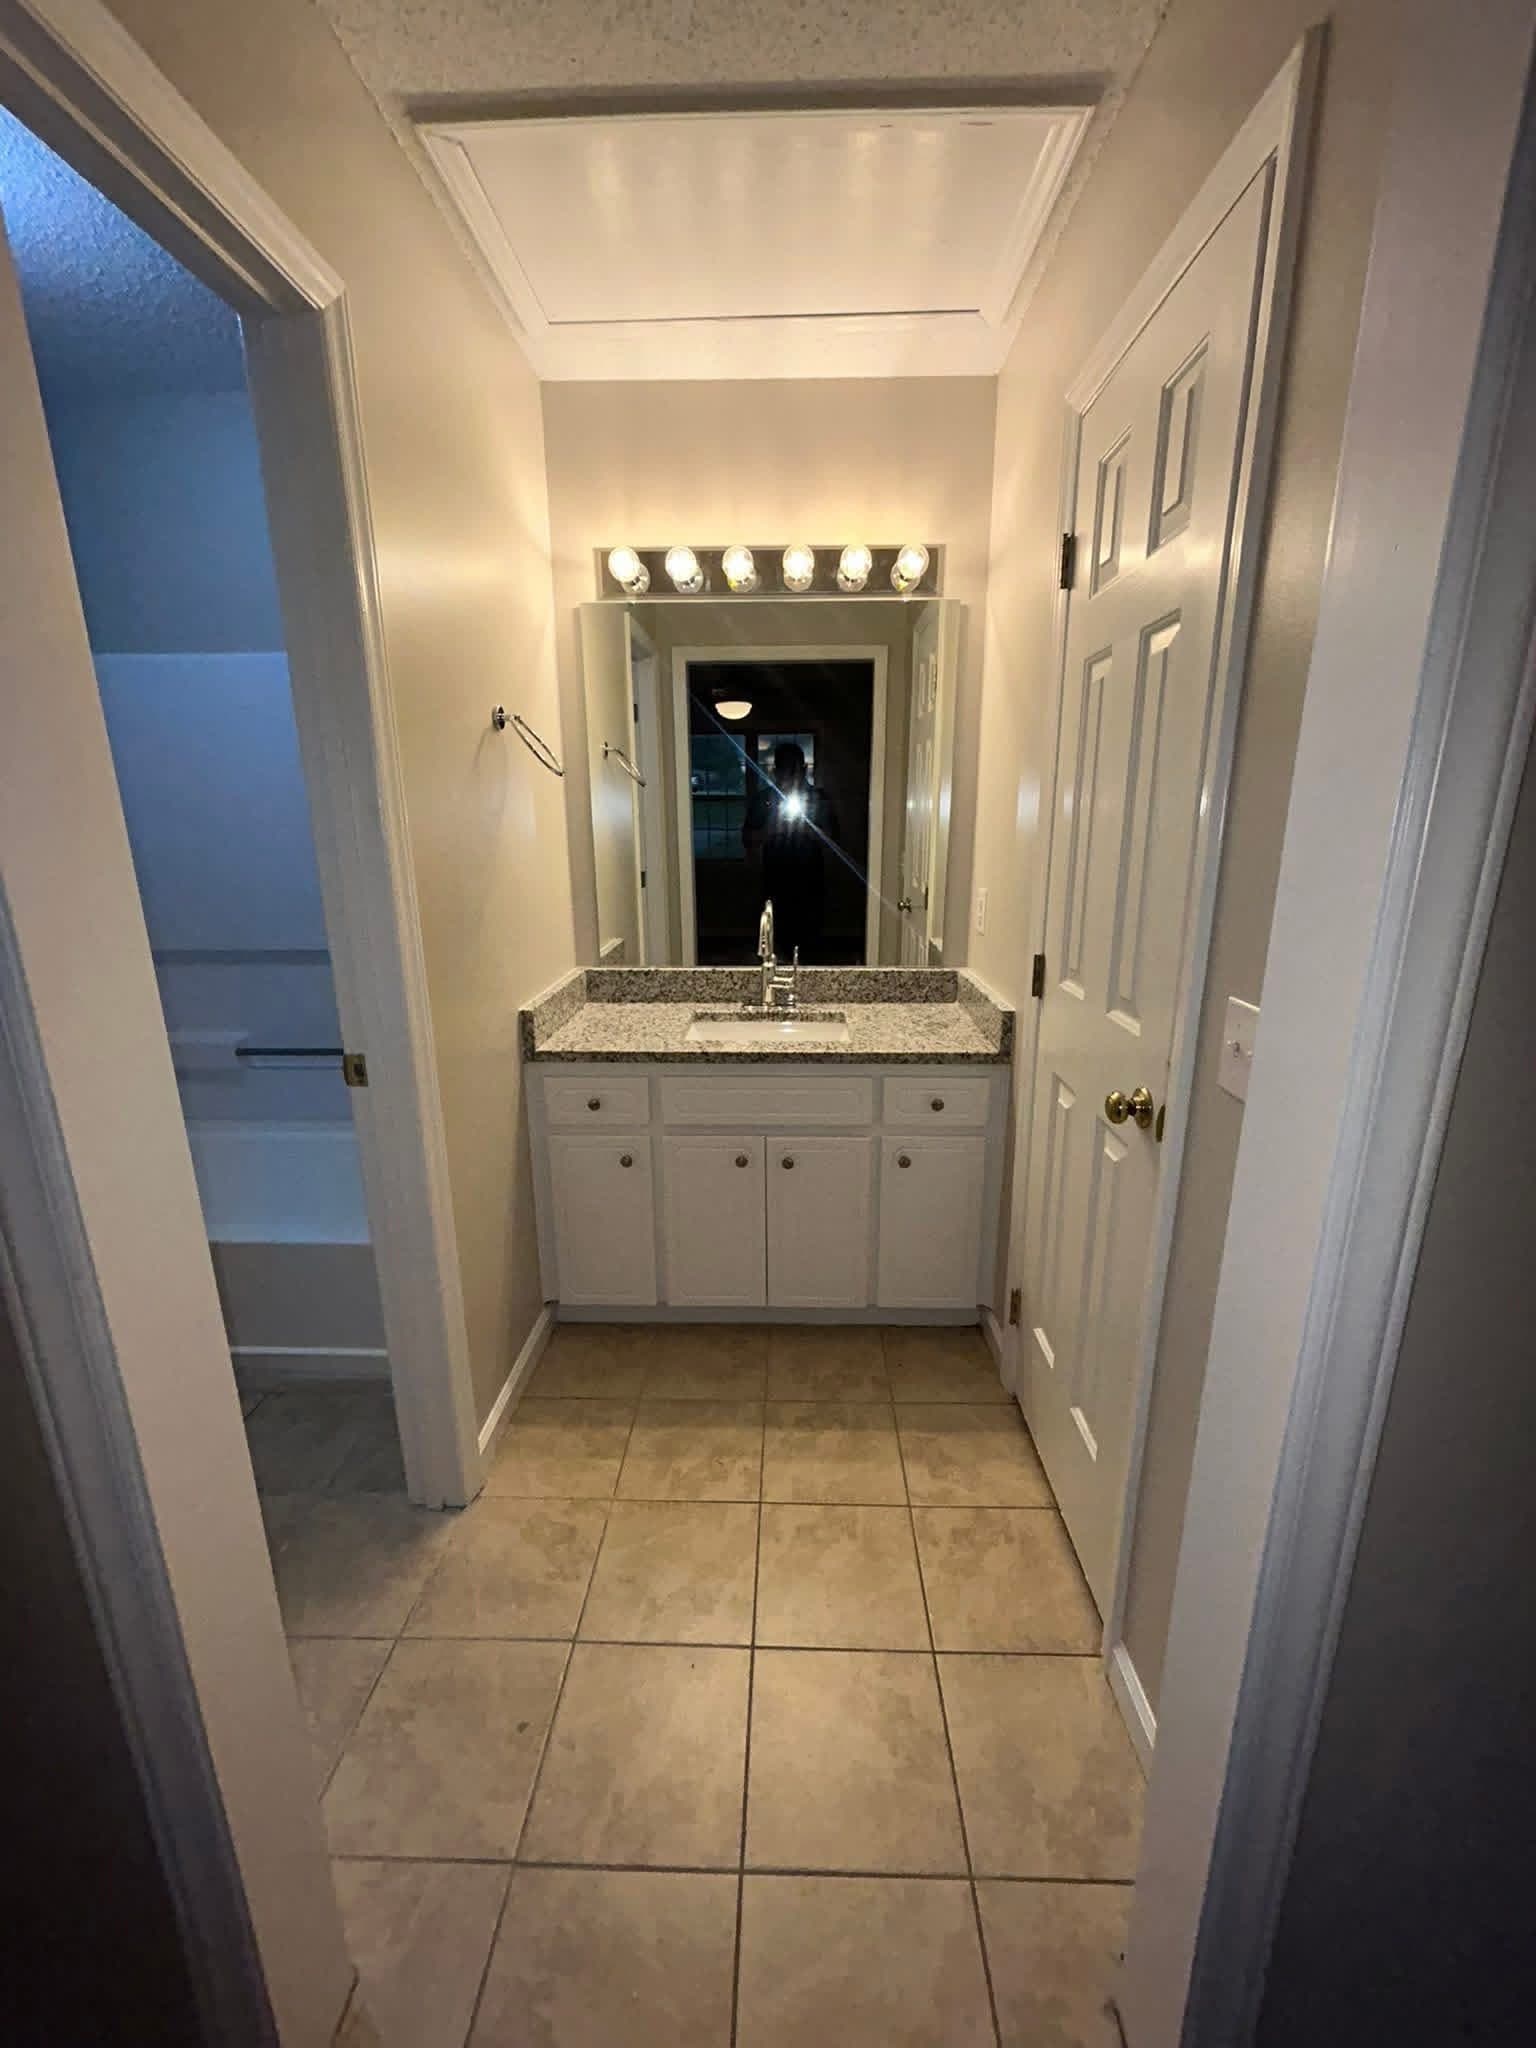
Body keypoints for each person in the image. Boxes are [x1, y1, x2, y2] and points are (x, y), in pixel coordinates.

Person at [742, 741, 839, 960]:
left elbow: (834, 841)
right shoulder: (763, 800)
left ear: (804, 769)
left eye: (793, 769)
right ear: (775, 770)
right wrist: (769, 830)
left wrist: (810, 830)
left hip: (810, 884)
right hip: (774, 883)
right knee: (774, 946)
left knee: (810, 948)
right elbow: (747, 838)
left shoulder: (820, 800)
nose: (788, 776)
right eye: (783, 770)